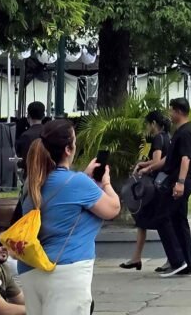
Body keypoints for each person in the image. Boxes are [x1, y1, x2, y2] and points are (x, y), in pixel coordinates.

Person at [18, 118, 120, 315]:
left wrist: (85, 178)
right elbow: (113, 209)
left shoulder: (33, 181)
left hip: (31, 269)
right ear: (68, 149)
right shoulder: (77, 182)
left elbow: (63, 196)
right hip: (66, 270)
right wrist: (105, 183)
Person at [119, 110, 171, 270]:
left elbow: (156, 161)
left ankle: (170, 258)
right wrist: (144, 163)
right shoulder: (168, 137)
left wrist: (144, 167)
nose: (147, 128)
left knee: (152, 221)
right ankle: (137, 257)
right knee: (143, 222)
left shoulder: (158, 138)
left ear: (153, 124)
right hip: (163, 183)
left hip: (153, 186)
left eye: (148, 124)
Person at [153, 98, 191, 278]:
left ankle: (177, 261)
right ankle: (187, 264)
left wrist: (180, 182)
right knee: (179, 221)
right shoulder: (180, 132)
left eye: (171, 110)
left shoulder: (186, 133)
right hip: (178, 180)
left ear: (178, 111)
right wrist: (149, 167)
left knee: (162, 217)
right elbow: (172, 157)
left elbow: (185, 158)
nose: (170, 114)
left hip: (179, 181)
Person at [15, 103, 46, 177]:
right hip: (48, 175)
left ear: (28, 116)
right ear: (43, 116)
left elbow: (23, 161)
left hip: (31, 176)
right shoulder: (50, 133)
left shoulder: (25, 136)